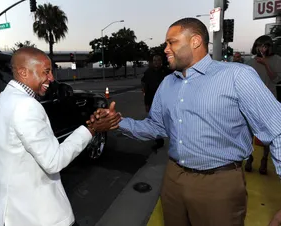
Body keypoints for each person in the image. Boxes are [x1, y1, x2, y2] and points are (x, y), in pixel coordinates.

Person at [88, 18, 281, 226]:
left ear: (195, 41)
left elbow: (277, 130)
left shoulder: (237, 76)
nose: (165, 49)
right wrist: (117, 123)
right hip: (173, 178)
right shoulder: (168, 83)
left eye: (172, 42)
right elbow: (155, 126)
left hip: (218, 183)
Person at [0, 47, 120, 226]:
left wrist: (90, 126)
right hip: (35, 217)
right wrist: (92, 129)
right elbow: (54, 161)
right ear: (23, 72)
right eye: (46, 72)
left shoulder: (5, 99)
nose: (51, 78)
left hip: (8, 214)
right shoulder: (26, 106)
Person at [245, 35, 281, 175]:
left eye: (265, 46)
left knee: (268, 131)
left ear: (270, 47)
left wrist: (266, 63)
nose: (262, 49)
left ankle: (265, 159)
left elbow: (276, 78)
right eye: (260, 45)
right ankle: (249, 157)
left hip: (269, 100)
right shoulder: (249, 62)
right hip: (251, 100)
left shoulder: (277, 60)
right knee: (247, 130)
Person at [141, 54, 172, 149]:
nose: (156, 62)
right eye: (154, 60)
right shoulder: (148, 72)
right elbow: (144, 87)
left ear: (161, 61)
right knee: (154, 121)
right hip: (151, 101)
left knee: (168, 120)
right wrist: (146, 103)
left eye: (158, 60)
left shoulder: (167, 71)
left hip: (165, 101)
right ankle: (159, 140)